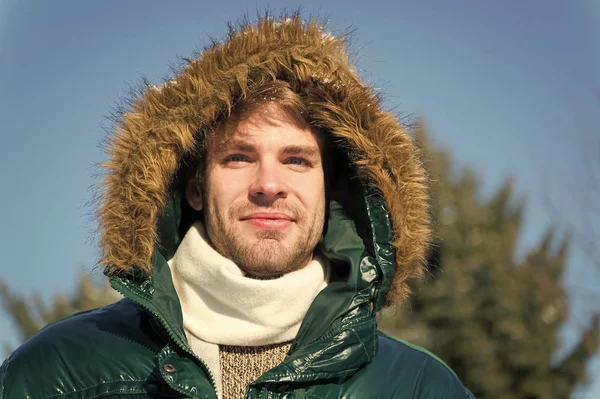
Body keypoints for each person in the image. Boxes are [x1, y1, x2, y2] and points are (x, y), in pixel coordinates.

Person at [0, 15, 474, 399]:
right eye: (239, 157)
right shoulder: (56, 372)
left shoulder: (418, 388)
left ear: (332, 191)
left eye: (296, 160)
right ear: (195, 189)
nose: (269, 184)